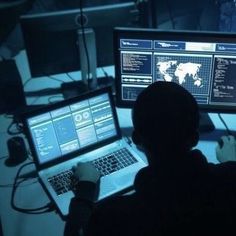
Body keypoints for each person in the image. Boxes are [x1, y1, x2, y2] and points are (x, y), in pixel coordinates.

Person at [64, 81, 236, 236]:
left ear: (137, 140)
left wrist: (85, 187)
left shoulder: (113, 216)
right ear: (195, 138)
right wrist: (231, 162)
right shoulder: (230, 182)